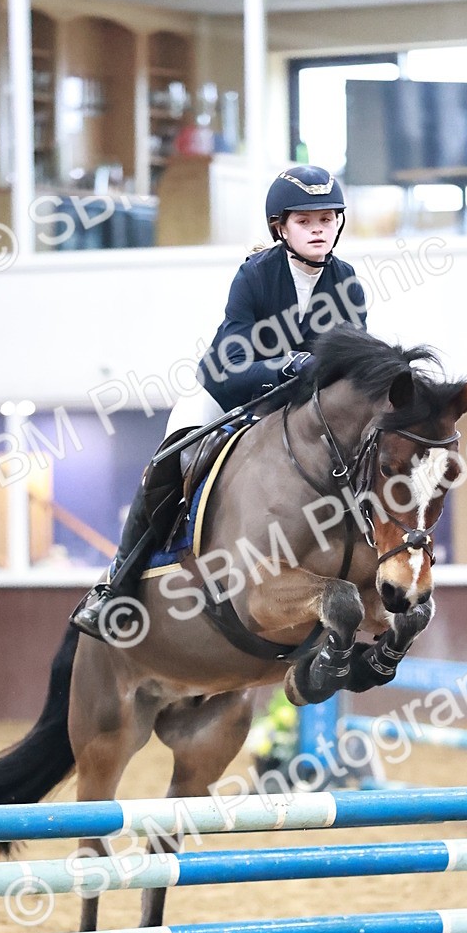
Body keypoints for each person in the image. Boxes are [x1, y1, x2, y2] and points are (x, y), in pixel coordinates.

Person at [71, 164, 368, 640]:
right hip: (225, 393)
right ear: (281, 227)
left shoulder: (346, 282)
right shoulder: (255, 275)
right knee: (168, 460)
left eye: (327, 219)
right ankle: (116, 588)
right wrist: (287, 366)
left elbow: (354, 356)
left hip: (292, 410)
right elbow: (232, 359)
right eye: (305, 221)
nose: (318, 229)